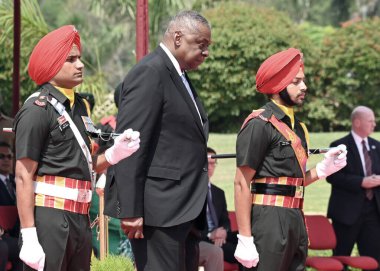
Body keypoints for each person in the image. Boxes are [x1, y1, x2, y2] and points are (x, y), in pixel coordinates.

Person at [13, 25, 140, 271]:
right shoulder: (36, 110)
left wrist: (114, 154)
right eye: (71, 59)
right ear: (51, 64)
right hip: (50, 217)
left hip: (80, 218)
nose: (80, 64)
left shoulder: (80, 107)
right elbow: (23, 174)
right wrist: (29, 235)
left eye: (79, 58)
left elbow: (84, 164)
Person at [105, 10, 211, 271]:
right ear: (178, 38)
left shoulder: (179, 76)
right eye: (202, 45)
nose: (206, 53)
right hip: (159, 210)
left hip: (183, 209)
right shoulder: (151, 73)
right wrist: (130, 210)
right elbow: (131, 145)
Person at [233, 48, 348, 270]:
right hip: (268, 220)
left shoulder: (298, 128)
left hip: (295, 217)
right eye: (296, 81)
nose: (304, 87)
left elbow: (291, 182)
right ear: (278, 85)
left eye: (303, 81)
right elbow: (240, 182)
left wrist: (323, 169)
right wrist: (245, 238)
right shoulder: (259, 124)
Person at [326, 105, 380, 270]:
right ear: (357, 122)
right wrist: (361, 182)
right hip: (346, 214)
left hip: (373, 212)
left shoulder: (377, 146)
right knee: (341, 260)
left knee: (374, 261)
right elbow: (332, 176)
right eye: (370, 121)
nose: (374, 124)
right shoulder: (339, 146)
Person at [199, 147, 240, 271]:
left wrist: (223, 232)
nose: (211, 167)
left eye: (213, 163)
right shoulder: (193, 193)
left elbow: (225, 220)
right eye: (208, 163)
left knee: (248, 240)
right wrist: (211, 234)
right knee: (239, 252)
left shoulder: (219, 192)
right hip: (203, 237)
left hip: (221, 237)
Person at [0, 142, 22, 271]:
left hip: (15, 234)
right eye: (1, 156)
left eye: (9, 156)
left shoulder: (18, 181)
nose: (6, 160)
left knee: (24, 248)